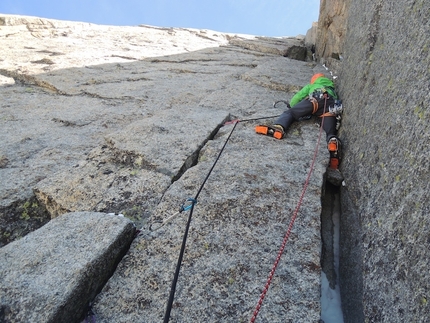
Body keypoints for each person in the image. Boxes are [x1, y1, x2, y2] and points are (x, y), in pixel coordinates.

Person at [255, 73, 342, 170]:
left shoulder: (312, 85)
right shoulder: (331, 88)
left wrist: (292, 106)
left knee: (291, 113)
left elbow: (297, 98)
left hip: (316, 100)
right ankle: (332, 141)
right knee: (330, 132)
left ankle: (279, 127)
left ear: (314, 80)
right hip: (330, 107)